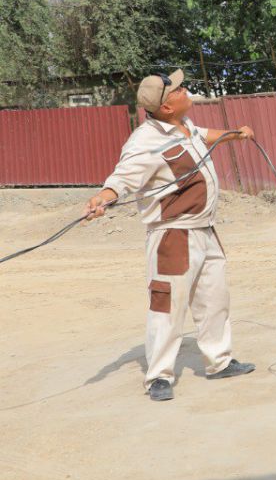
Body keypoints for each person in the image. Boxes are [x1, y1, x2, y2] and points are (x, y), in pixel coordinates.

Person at [84, 69, 257, 402]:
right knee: (167, 307)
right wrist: (102, 199)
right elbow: (122, 178)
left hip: (205, 230)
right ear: (165, 106)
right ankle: (159, 376)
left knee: (214, 299)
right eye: (179, 89)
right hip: (173, 237)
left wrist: (235, 135)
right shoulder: (144, 142)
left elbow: (205, 135)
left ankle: (219, 361)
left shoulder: (185, 125)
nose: (186, 89)